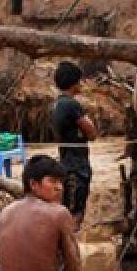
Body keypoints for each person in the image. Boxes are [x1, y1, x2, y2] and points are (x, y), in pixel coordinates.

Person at [51, 61, 97, 230]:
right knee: (75, 213)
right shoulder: (71, 105)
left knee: (67, 209)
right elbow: (92, 132)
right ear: (74, 82)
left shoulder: (57, 104)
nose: (82, 84)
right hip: (77, 166)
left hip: (66, 162)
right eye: (80, 80)